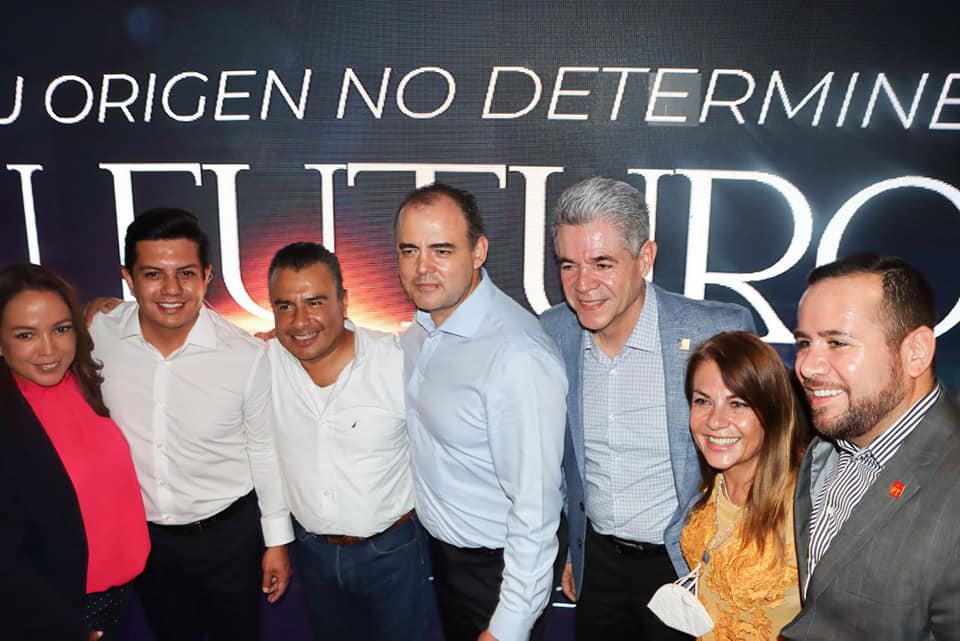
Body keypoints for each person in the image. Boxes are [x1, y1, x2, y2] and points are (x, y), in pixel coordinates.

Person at [539, 176, 756, 641]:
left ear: (645, 258)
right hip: (597, 566)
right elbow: (562, 461)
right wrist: (575, 551)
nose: (583, 285)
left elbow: (765, 459)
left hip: (688, 568)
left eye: (602, 263)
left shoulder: (717, 332)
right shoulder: (552, 333)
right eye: (569, 265)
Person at [87, 208, 293, 641]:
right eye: (153, 274)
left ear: (207, 276)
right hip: (144, 541)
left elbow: (264, 450)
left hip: (230, 536)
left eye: (185, 273)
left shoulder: (245, 356)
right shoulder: (95, 335)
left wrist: (277, 540)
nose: (171, 290)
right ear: (128, 278)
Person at [396, 183, 567, 641]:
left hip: (497, 574)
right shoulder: (420, 328)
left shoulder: (515, 356)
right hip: (443, 557)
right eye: (409, 250)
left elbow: (536, 508)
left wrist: (509, 626)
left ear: (478, 252)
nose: (422, 267)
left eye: (441, 250)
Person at [783, 254, 960, 640]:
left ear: (916, 352)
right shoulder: (824, 450)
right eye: (804, 342)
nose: (807, 366)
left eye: (837, 342)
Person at [265, 241, 432, 641]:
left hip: (394, 553)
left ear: (343, 302)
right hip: (312, 554)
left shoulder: (397, 361)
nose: (300, 321)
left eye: (315, 302)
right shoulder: (263, 363)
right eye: (285, 306)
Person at [0, 264, 149, 641]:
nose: (49, 349)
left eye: (61, 329)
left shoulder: (80, 378)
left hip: (119, 592)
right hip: (61, 611)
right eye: (25, 335)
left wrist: (115, 310)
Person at [678, 331, 807, 640]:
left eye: (737, 404)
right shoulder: (710, 484)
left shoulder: (809, 502)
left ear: (772, 410)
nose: (715, 421)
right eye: (702, 401)